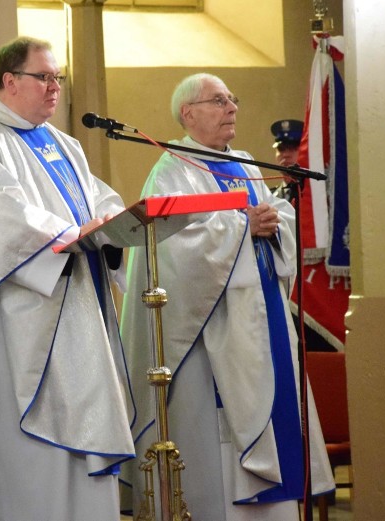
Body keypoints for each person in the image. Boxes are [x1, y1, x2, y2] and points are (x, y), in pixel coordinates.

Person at [0, 36, 135, 521]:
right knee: (30, 466)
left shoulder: (62, 143)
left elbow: (96, 201)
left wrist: (116, 221)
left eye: (57, 78)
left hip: (79, 311)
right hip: (16, 328)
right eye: (43, 77)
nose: (54, 88)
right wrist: (69, 234)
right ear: (9, 81)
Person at [119, 73, 334, 520]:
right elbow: (172, 249)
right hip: (212, 330)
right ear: (188, 114)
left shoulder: (244, 163)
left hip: (261, 315)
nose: (232, 108)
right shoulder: (172, 169)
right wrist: (243, 228)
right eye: (218, 101)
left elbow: (271, 218)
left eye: (231, 99)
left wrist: (276, 222)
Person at [269, 118, 304, 202]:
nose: (285, 155)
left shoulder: (317, 194)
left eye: (292, 148)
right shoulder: (270, 197)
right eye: (281, 149)